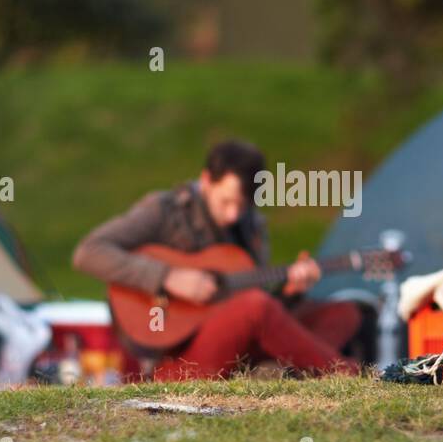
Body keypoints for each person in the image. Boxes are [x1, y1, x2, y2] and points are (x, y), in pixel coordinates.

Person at [72, 139, 361, 379]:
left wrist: (289, 290)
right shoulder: (164, 210)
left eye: (242, 205)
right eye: (226, 202)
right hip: (178, 361)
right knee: (256, 307)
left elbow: (260, 307)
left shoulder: (252, 226)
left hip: (237, 344)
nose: (234, 214)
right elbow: (89, 252)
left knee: (343, 312)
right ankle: (348, 376)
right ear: (206, 180)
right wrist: (166, 277)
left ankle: (275, 372)